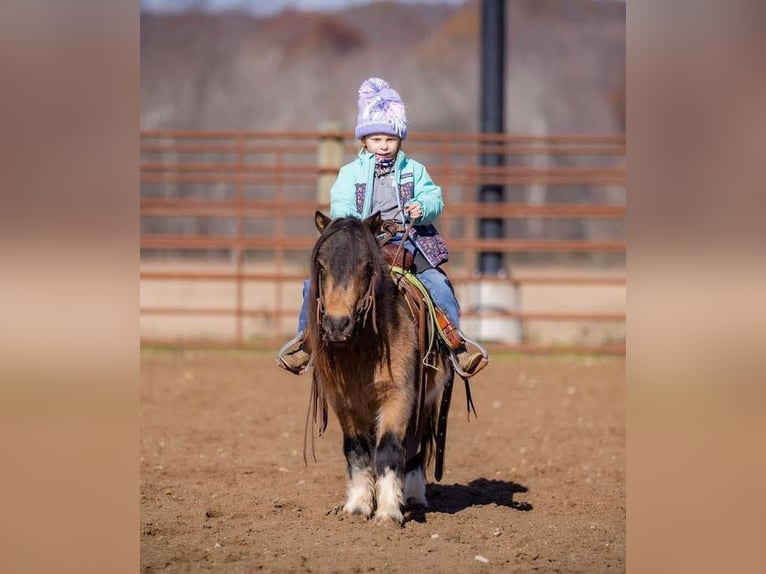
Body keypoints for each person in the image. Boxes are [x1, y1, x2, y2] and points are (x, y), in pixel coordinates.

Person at [277, 77, 486, 377]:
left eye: (390, 139)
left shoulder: (414, 170)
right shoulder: (350, 174)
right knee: (313, 285)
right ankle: (305, 343)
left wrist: (422, 207)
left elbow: (434, 196)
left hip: (408, 239)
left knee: (438, 284)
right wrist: (356, 226)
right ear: (363, 141)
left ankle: (456, 345)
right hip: (363, 241)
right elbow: (341, 205)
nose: (384, 146)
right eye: (376, 139)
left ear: (400, 140)